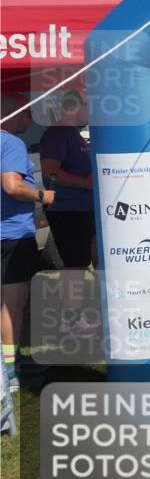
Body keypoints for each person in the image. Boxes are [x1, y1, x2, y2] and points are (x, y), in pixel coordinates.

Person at [2, 94, 56, 391]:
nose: (31, 118)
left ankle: (9, 363)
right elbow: (11, 185)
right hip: (12, 234)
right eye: (28, 113)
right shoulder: (10, 142)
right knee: (12, 307)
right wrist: (41, 196)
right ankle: (10, 371)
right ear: (15, 113)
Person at [39, 90, 99, 338]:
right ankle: (71, 321)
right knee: (74, 267)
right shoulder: (57, 133)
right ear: (76, 107)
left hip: (83, 209)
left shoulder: (73, 134)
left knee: (92, 259)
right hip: (67, 209)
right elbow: (49, 173)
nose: (91, 113)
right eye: (88, 107)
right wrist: (84, 183)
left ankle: (100, 310)